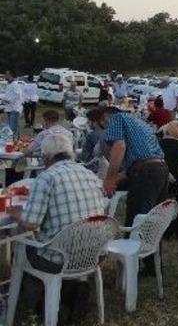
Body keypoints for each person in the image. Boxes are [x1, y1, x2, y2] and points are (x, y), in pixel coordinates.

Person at [11, 134, 106, 321]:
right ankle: (70, 295)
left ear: (46, 158)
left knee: (21, 248)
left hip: (60, 257)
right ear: (70, 153)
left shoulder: (46, 178)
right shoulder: (89, 174)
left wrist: (16, 215)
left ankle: (39, 305)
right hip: (94, 252)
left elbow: (32, 223)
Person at [99, 106, 169, 227]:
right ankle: (152, 246)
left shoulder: (116, 118)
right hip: (161, 168)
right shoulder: (139, 124)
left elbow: (119, 146)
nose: (105, 128)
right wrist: (118, 177)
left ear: (106, 116)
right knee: (153, 219)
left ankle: (133, 244)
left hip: (145, 171)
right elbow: (141, 160)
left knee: (137, 220)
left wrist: (110, 179)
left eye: (104, 123)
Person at [2, 70, 24, 138]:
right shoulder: (9, 84)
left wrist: (8, 100)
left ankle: (14, 142)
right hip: (9, 108)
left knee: (12, 127)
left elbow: (17, 95)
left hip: (14, 109)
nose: (5, 75)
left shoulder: (15, 84)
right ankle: (15, 140)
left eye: (6, 74)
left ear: (10, 75)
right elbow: (8, 95)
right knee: (10, 126)